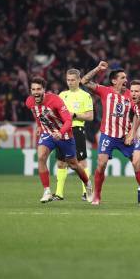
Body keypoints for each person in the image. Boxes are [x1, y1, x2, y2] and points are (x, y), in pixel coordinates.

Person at [25, 76, 92, 203]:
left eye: (38, 89)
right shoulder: (29, 101)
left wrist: (60, 133)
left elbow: (68, 120)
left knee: (74, 164)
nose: (36, 92)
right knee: (41, 157)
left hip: (65, 134)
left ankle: (88, 184)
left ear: (44, 89)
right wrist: (39, 126)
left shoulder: (55, 100)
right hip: (48, 133)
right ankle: (47, 191)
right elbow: (36, 114)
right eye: (33, 89)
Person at [81, 61, 133, 205]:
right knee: (101, 164)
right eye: (122, 78)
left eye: (126, 78)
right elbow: (84, 81)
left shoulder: (131, 95)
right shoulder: (105, 91)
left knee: (138, 163)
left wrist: (133, 133)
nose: (126, 80)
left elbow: (139, 114)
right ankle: (97, 196)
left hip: (125, 136)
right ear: (114, 80)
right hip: (108, 135)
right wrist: (98, 68)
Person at [52, 69, 93, 202]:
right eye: (68, 80)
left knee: (81, 162)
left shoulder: (85, 96)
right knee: (61, 162)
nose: (70, 82)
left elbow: (90, 116)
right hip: (62, 131)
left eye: (73, 80)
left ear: (79, 80)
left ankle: (86, 192)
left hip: (76, 129)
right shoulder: (62, 95)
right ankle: (58, 194)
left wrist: (74, 115)